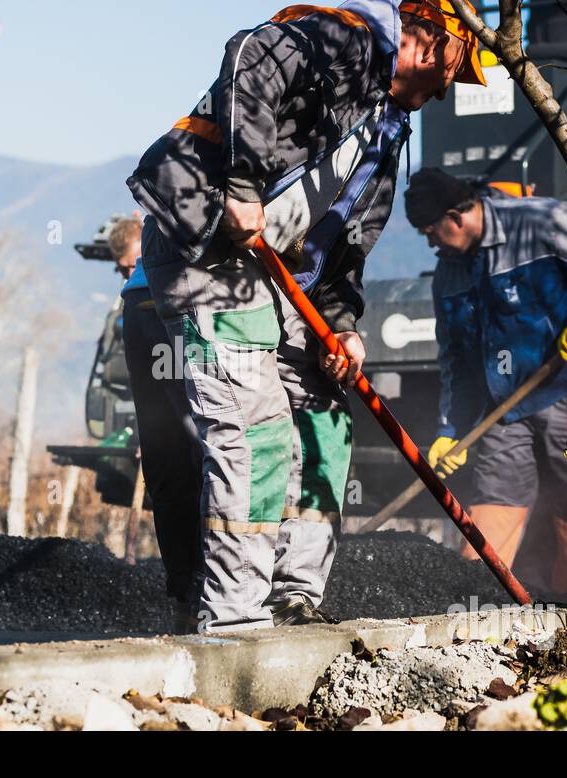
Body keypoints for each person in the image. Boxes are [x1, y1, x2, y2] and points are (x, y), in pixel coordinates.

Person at [127, 0, 484, 631]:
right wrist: (240, 185)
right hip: (210, 245)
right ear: (431, 45)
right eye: (455, 72)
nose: (447, 91)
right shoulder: (345, 40)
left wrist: (342, 323)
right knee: (254, 429)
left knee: (323, 413)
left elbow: (348, 244)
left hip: (282, 279)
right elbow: (250, 56)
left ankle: (293, 597)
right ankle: (235, 620)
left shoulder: (387, 129)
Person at [404, 167, 567, 603]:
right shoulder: (448, 274)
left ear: (457, 217)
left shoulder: (544, 222)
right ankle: (474, 613)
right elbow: (456, 362)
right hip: (504, 407)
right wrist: (451, 430)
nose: (430, 244)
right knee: (492, 500)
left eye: (431, 232)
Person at [111, 217, 204, 633]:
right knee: (207, 444)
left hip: (143, 305)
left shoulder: (166, 178)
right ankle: (208, 594)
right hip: (180, 299)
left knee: (170, 451)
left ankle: (186, 597)